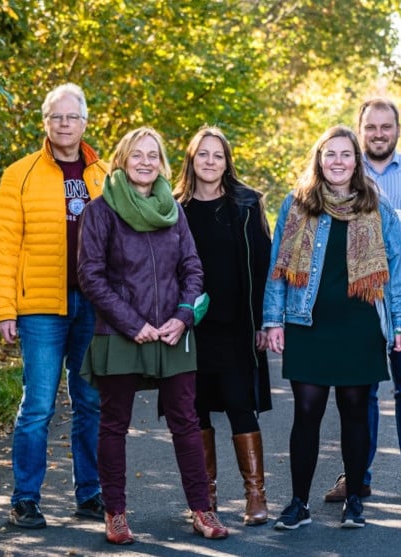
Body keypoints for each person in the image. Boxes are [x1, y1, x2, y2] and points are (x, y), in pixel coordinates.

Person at [78, 127, 228, 544]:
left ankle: (202, 509)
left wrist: (183, 316)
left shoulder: (173, 210)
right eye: (136, 155)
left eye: (153, 155)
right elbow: (91, 276)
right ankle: (116, 513)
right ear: (122, 159)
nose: (145, 162)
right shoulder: (100, 211)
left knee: (186, 420)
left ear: (161, 163)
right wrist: (132, 323)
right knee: (113, 424)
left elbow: (192, 269)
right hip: (121, 332)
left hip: (170, 331)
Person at [263, 125, 401, 530]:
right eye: (331, 154)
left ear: (356, 162)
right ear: (319, 159)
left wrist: (399, 324)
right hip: (308, 323)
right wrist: (272, 320)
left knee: (354, 412)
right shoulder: (297, 206)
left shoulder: (377, 208)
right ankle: (298, 503)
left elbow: (395, 272)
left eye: (346, 155)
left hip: (360, 324)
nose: (338, 162)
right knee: (306, 413)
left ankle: (355, 501)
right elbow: (277, 268)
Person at [0, 83, 106, 529]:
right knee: (37, 405)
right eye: (55, 117)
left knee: (90, 402)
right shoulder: (19, 174)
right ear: (45, 122)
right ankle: (25, 499)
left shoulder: (104, 176)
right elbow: (3, 247)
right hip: (39, 306)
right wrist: (4, 308)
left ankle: (91, 494)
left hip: (93, 307)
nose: (63, 124)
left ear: (84, 122)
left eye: (71, 117)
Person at [322, 98, 401, 502]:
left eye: (386, 127)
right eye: (371, 127)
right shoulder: (342, 173)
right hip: (357, 298)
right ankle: (356, 474)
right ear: (361, 130)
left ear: (397, 129)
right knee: (362, 389)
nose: (379, 134)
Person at [175, 126, 273, 525]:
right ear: (192, 160)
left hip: (237, 327)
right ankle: (205, 497)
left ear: (227, 161)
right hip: (190, 328)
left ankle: (255, 496)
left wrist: (266, 321)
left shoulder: (247, 204)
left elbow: (264, 266)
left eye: (218, 155)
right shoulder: (173, 205)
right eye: (203, 154)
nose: (210, 161)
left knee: (239, 405)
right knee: (195, 410)